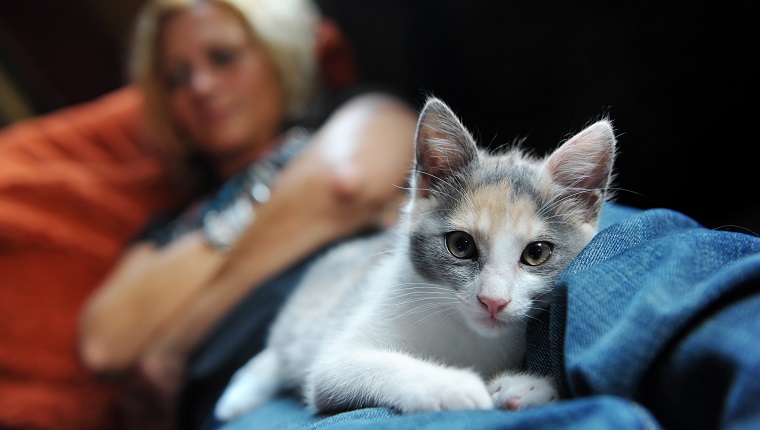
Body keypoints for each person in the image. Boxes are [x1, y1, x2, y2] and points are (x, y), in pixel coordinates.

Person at [76, 0, 417, 422]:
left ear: (275, 56)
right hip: (250, 402)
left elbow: (342, 183)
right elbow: (106, 341)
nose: (200, 86)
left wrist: (174, 343)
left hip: (389, 327)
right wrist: (286, 210)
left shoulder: (348, 111)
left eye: (223, 57)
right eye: (176, 79)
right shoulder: (167, 225)